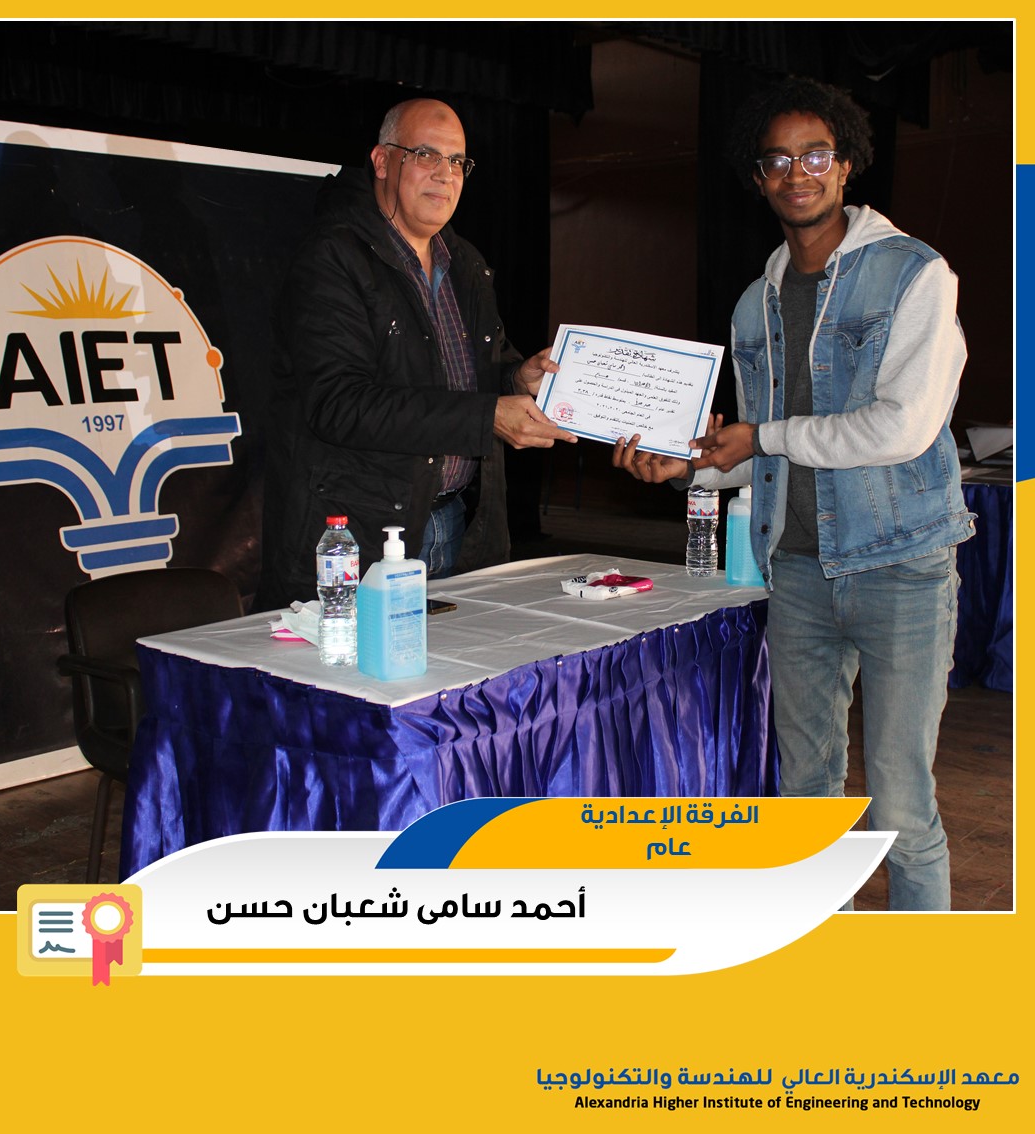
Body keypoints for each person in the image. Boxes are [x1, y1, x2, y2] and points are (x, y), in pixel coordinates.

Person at [613, 76, 974, 910]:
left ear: (846, 165)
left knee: (901, 806)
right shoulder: (756, 304)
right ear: (759, 179)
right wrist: (690, 467)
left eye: (815, 155)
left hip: (901, 567)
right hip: (799, 572)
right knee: (805, 798)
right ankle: (817, 960)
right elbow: (762, 453)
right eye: (777, 160)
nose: (797, 173)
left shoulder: (914, 274)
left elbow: (901, 428)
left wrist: (760, 437)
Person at [255, 98, 575, 611]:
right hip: (362, 537)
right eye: (426, 154)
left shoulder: (465, 261)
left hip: (458, 526)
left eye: (458, 161)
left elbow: (474, 375)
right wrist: (488, 416)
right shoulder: (332, 257)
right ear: (383, 161)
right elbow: (339, 404)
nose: (445, 174)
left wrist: (518, 379)